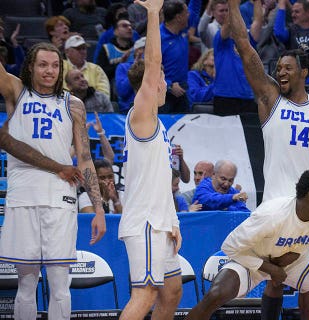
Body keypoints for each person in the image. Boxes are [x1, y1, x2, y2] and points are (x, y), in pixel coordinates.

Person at [227, 0, 309, 317]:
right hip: (277, 205)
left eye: (287, 68)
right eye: (278, 69)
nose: (280, 72)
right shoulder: (271, 99)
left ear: (303, 72)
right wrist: (233, 5)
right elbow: (244, 45)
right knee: (275, 279)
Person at [0, 41, 106, 319]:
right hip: (23, 195)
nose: (50, 71)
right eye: (43, 65)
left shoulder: (74, 104)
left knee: (60, 285)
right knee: (25, 284)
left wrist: (98, 208)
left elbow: (84, 159)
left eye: (55, 65)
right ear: (30, 67)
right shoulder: (17, 91)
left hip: (61, 197)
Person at [186, 169, 309, 319]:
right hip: (252, 258)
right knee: (215, 294)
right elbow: (229, 247)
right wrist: (270, 268)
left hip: (289, 260)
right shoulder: (272, 214)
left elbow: (307, 243)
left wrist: (290, 257)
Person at [117, 0, 183, 318]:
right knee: (144, 296)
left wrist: (173, 222)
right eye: (162, 77)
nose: (166, 83)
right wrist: (154, 13)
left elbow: (161, 182)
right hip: (144, 222)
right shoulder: (141, 114)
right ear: (153, 82)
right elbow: (153, 61)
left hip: (160, 222)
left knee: (171, 292)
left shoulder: (157, 125)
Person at [96, 16, 134, 81]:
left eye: (130, 26)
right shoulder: (106, 48)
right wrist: (120, 64)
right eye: (124, 26)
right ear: (115, 31)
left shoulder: (138, 48)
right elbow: (101, 73)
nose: (129, 28)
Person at [115, 37, 146, 114]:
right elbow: (122, 92)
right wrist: (135, 68)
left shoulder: (156, 67)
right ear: (136, 51)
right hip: (128, 109)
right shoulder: (123, 67)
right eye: (144, 48)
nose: (148, 51)